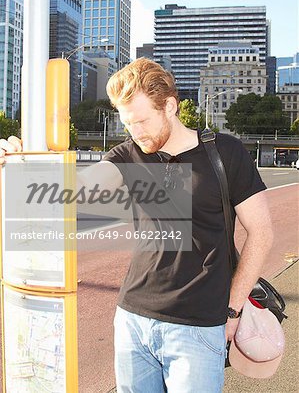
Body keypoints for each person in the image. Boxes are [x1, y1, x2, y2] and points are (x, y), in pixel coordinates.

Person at [0, 58, 273, 392]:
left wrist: (232, 309)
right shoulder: (129, 155)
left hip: (198, 327)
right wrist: (24, 164)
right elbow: (76, 192)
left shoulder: (224, 152)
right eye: (128, 123)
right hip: (133, 320)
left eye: (143, 121)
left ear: (170, 106)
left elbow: (262, 232)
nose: (136, 132)